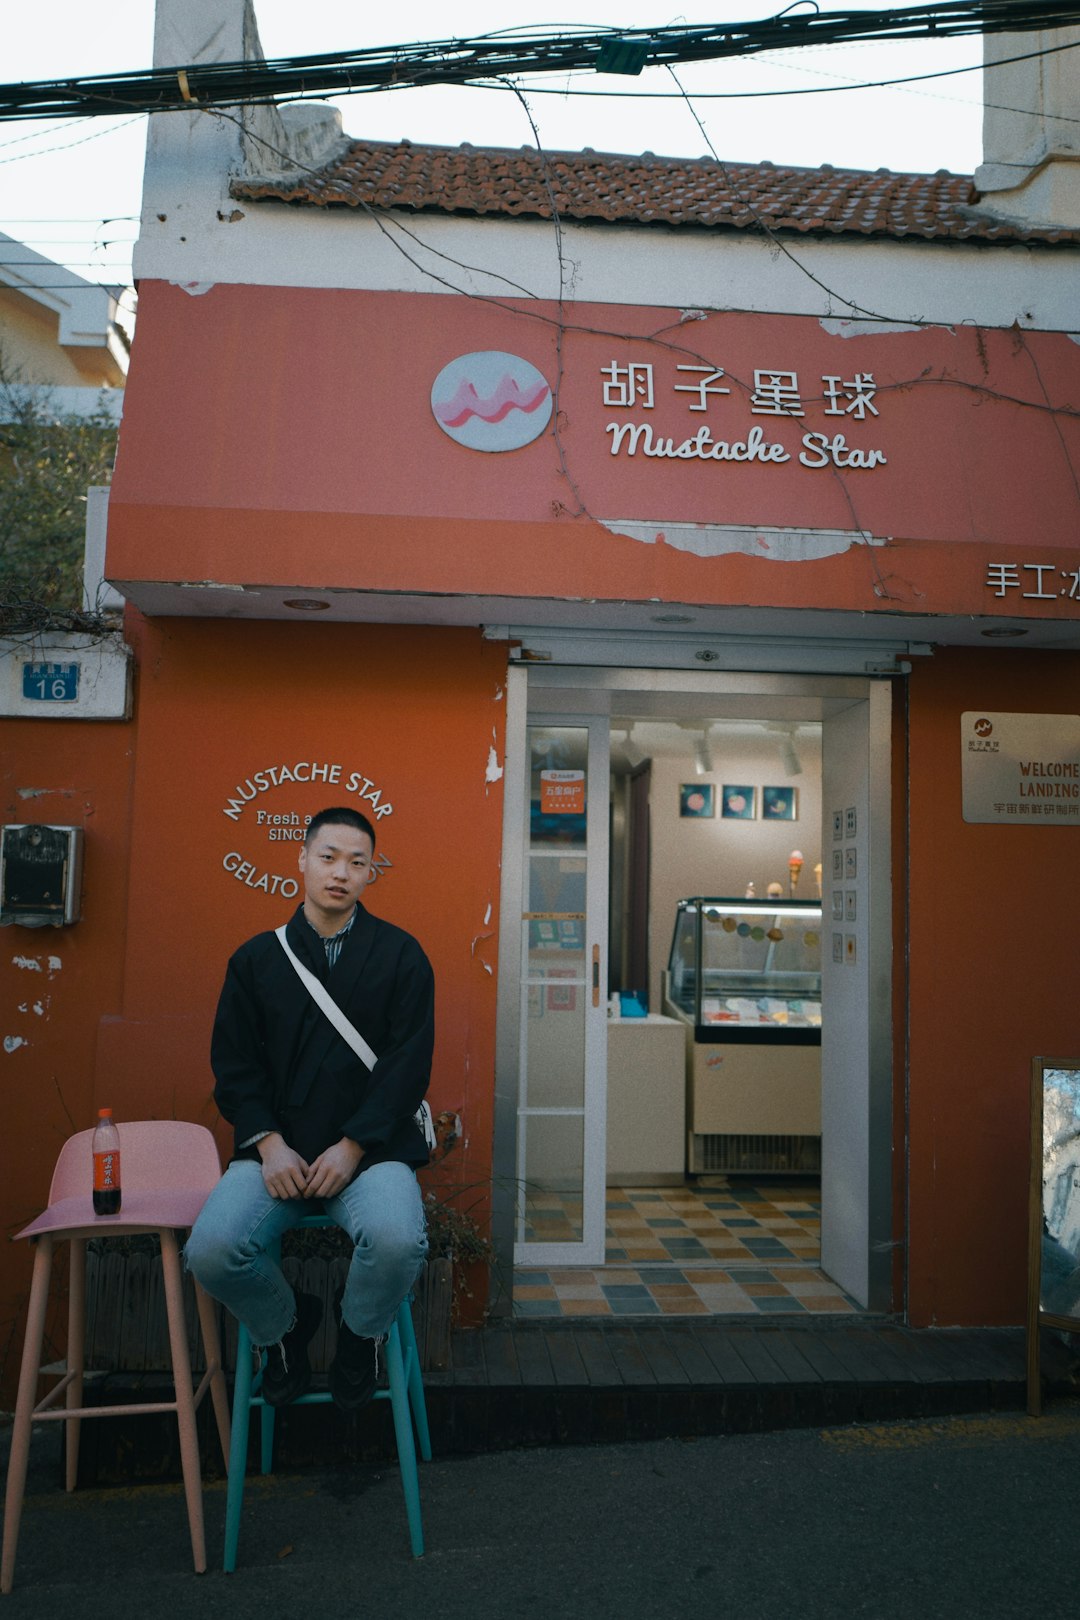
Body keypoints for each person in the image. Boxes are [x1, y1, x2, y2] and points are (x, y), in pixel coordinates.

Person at [186, 806, 433, 1410]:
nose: (341, 873)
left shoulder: (402, 956)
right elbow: (235, 1066)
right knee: (213, 1251)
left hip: (370, 1153)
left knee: (398, 1239)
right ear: (301, 860)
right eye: (328, 857)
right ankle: (287, 1326)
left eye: (357, 862)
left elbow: (407, 1068)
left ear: (373, 873)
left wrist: (353, 1147)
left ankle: (357, 1336)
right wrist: (267, 1143)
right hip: (279, 1153)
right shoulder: (255, 961)